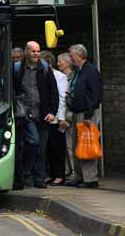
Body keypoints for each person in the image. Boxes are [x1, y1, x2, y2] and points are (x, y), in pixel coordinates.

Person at [13, 41, 59, 188]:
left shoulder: (45, 68)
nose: (36, 54)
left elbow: (54, 92)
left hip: (43, 114)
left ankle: (38, 179)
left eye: (38, 51)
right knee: (34, 142)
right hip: (26, 114)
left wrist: (53, 112)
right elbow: (11, 89)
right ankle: (26, 173)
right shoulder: (17, 68)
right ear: (26, 52)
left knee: (41, 148)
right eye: (33, 51)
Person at [66, 44, 103, 188]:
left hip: (87, 113)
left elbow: (95, 93)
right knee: (77, 145)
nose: (70, 58)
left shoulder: (90, 71)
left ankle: (90, 179)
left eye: (72, 56)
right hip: (78, 111)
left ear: (79, 56)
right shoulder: (78, 71)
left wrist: (89, 114)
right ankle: (80, 176)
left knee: (87, 144)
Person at [41, 50, 69, 186]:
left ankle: (59, 175)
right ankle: (51, 173)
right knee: (49, 148)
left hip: (57, 118)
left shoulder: (60, 76)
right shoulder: (43, 75)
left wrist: (62, 117)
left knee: (57, 147)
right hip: (47, 117)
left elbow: (62, 97)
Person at [56, 52, 76, 179]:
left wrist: (66, 116)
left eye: (60, 61)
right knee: (67, 145)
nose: (58, 64)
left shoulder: (71, 78)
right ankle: (69, 170)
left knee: (71, 145)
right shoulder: (64, 77)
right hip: (65, 115)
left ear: (67, 63)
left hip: (70, 115)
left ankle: (74, 171)